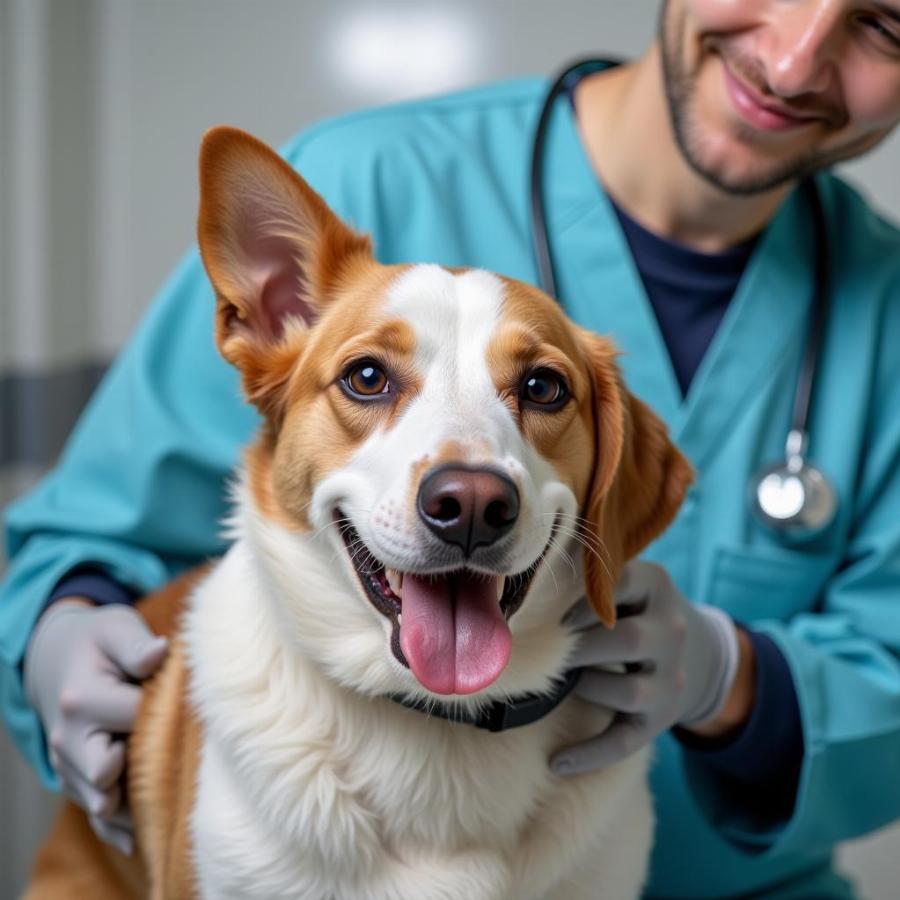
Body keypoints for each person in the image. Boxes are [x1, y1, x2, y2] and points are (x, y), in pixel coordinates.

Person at [4, 1, 900, 896]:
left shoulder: (885, 306)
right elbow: (97, 523)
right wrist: (62, 625)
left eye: (884, 27)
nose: (792, 61)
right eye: (367, 379)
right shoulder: (358, 174)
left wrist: (734, 679)